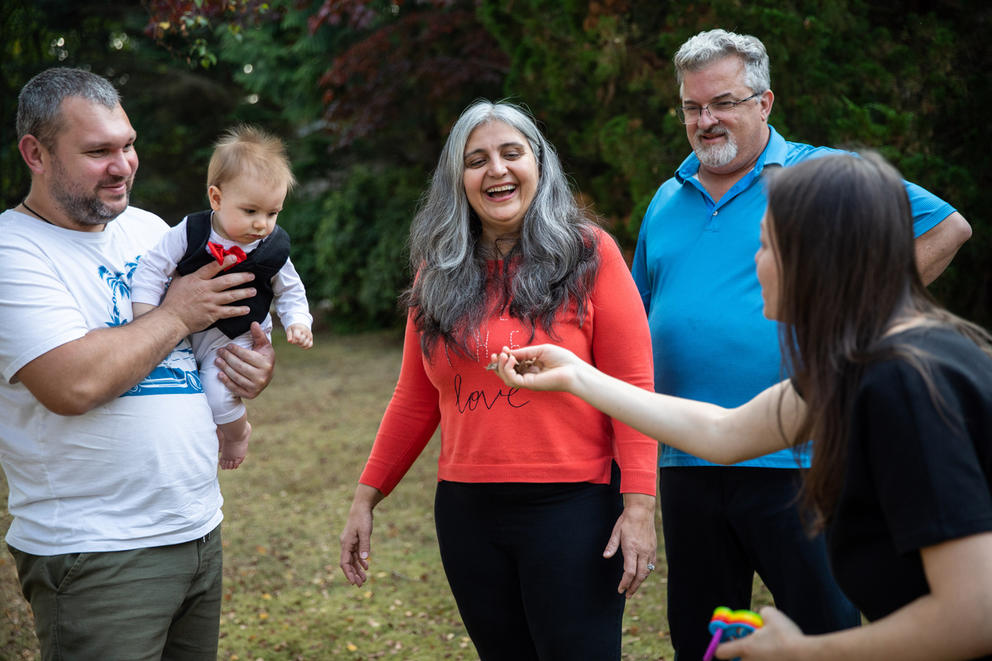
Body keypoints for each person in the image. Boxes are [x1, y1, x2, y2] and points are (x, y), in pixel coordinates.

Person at [492, 151, 992, 661]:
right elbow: (724, 434)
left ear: (820, 259)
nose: (754, 263)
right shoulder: (859, 366)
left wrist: (804, 652)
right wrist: (578, 376)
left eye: (765, 246)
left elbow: (973, 616)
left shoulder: (905, 384)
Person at [629, 28, 973, 658]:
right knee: (703, 642)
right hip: (689, 463)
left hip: (802, 458)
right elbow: (643, 317)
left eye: (723, 102)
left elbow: (949, 226)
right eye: (692, 107)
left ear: (764, 102)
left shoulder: (823, 178)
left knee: (824, 628)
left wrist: (853, 316)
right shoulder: (664, 199)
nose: (706, 121)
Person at [338, 100, 659, 660]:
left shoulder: (590, 255)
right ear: (457, 179)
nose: (497, 171)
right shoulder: (437, 271)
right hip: (468, 515)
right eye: (477, 159)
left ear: (540, 163)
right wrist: (367, 499)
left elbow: (632, 385)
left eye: (512, 153)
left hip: (574, 509)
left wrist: (638, 508)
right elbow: (415, 398)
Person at [0, 67, 276, 660]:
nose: (124, 164)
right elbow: (72, 383)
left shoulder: (149, 230)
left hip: (197, 530)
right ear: (36, 154)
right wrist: (177, 314)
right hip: (97, 552)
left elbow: (202, 340)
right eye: (98, 151)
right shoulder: (12, 252)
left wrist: (248, 368)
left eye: (127, 144)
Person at [132, 124, 313, 470]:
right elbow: (152, 269)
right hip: (186, 332)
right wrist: (144, 317)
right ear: (217, 198)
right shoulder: (190, 231)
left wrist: (299, 321)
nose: (262, 224)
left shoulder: (272, 248)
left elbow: (291, 289)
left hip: (239, 335)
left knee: (218, 397)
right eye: (251, 211)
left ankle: (235, 433)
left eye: (272, 213)